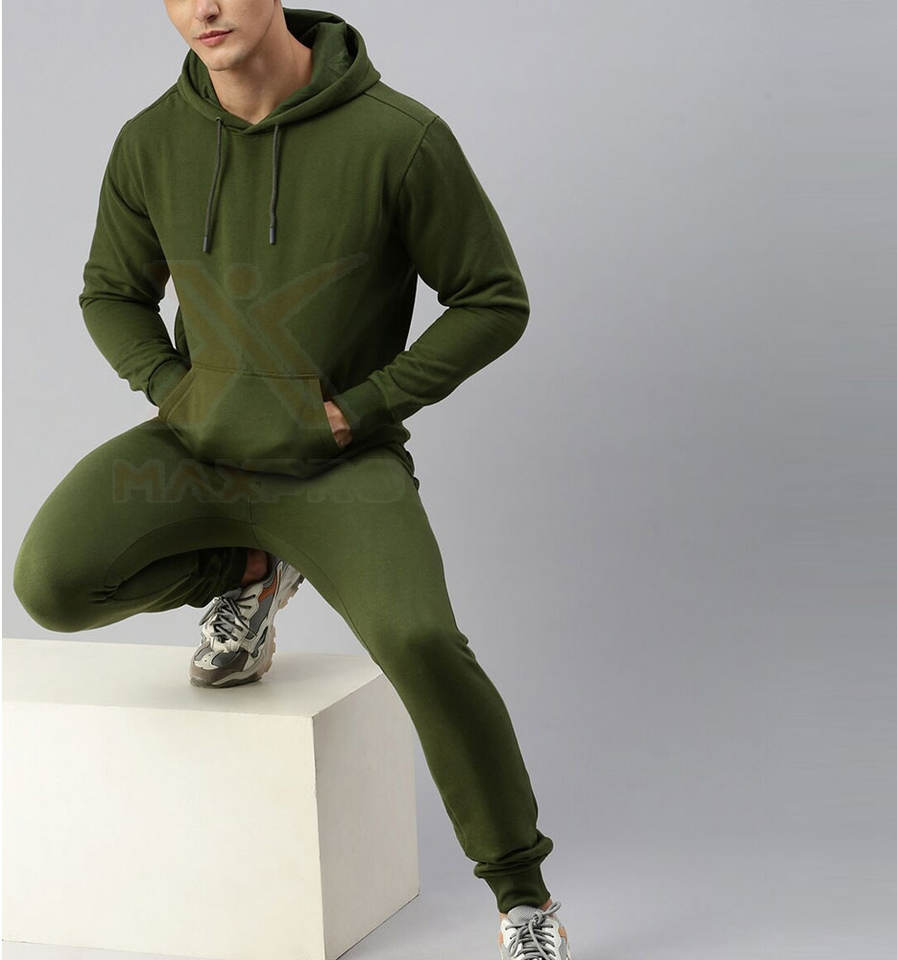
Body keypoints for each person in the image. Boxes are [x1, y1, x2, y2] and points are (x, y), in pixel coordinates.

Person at [12, 3, 573, 956]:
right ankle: (248, 573)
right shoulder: (151, 140)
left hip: (336, 463)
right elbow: (110, 290)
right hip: (196, 450)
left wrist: (364, 407)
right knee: (51, 584)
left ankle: (524, 899)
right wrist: (174, 390)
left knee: (421, 639)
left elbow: (493, 298)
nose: (205, 9)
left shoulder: (399, 137)